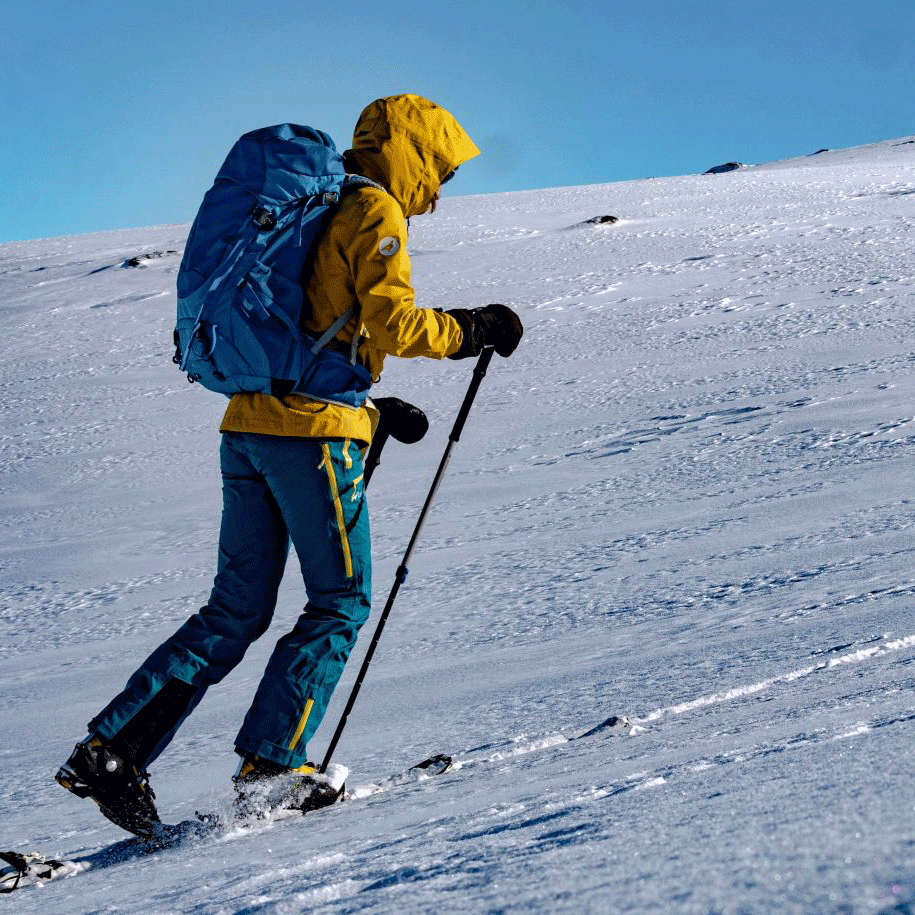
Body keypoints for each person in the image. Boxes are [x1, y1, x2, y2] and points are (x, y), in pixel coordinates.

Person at [55, 95, 523, 837]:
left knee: (234, 610)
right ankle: (270, 766)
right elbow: (394, 324)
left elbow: (309, 330)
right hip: (312, 437)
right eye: (437, 170)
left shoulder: (314, 205)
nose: (437, 192)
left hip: (249, 426)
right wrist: (474, 330)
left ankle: (112, 749)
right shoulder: (374, 212)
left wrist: (370, 410)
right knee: (339, 600)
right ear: (408, 153)